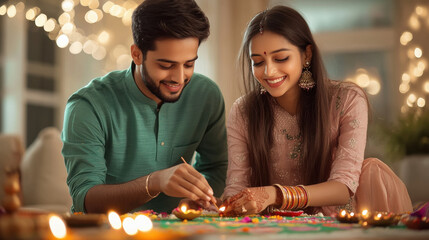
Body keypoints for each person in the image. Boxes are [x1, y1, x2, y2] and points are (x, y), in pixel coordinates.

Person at [222, 5, 412, 216]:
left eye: (281, 58)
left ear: (306, 55)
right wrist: (218, 204)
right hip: (276, 227)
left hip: (344, 222)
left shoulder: (346, 99)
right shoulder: (243, 111)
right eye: (257, 62)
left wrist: (276, 195)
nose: (268, 71)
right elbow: (236, 187)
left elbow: (343, 186)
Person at [62, 0, 228, 214]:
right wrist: (154, 182)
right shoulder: (88, 106)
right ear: (137, 54)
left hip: (181, 231)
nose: (179, 78)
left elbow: (215, 167)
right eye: (166, 65)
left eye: (189, 64)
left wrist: (193, 200)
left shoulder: (206, 96)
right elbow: (85, 199)